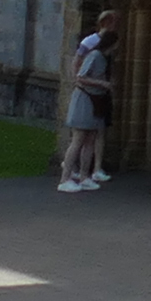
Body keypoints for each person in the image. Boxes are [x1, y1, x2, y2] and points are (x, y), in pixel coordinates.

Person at [57, 14, 113, 190]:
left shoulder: (102, 57)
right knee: (78, 139)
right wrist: (102, 83)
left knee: (90, 139)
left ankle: (84, 176)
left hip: (95, 99)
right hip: (85, 99)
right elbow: (80, 77)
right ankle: (65, 178)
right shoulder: (95, 55)